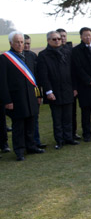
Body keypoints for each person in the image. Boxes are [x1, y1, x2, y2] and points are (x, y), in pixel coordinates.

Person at [0, 31, 45, 161]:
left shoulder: (30, 56)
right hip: (16, 99)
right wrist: (7, 100)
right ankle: (19, 150)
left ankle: (31, 146)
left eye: (22, 42)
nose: (20, 45)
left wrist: (38, 95)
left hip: (31, 97)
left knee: (31, 122)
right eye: (17, 42)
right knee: (18, 126)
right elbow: (2, 83)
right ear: (10, 43)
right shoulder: (4, 59)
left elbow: (35, 79)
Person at [37, 31, 80, 150]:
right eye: (54, 39)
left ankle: (69, 138)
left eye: (58, 39)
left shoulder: (67, 52)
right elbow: (43, 76)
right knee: (57, 118)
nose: (57, 41)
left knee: (68, 117)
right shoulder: (43, 55)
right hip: (53, 91)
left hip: (67, 89)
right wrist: (48, 91)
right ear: (48, 41)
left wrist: (75, 88)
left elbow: (73, 72)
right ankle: (59, 140)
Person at [57, 28, 80, 141]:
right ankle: (61, 137)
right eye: (60, 36)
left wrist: (75, 87)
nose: (62, 38)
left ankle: (72, 133)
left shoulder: (71, 50)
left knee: (72, 113)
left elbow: (74, 71)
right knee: (60, 115)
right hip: (58, 89)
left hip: (71, 87)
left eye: (64, 36)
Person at [24, 34, 46, 148]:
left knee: (35, 119)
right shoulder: (13, 58)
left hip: (33, 93)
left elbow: (37, 79)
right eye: (24, 43)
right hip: (21, 95)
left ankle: (36, 142)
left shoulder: (33, 56)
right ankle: (25, 144)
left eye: (28, 43)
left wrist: (39, 95)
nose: (27, 46)